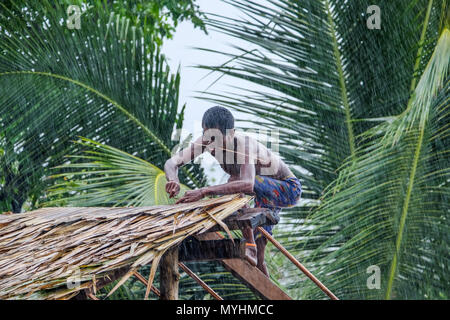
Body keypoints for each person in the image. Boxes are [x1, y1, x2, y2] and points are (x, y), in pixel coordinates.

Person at [164, 106, 301, 277]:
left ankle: (250, 244)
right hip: (261, 196)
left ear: (231, 133)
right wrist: (173, 180)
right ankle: (261, 271)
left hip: (288, 189)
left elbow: (247, 184)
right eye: (209, 138)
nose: (212, 147)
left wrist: (204, 191)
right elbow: (172, 163)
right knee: (259, 261)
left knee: (235, 183)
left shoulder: (244, 145)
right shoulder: (205, 142)